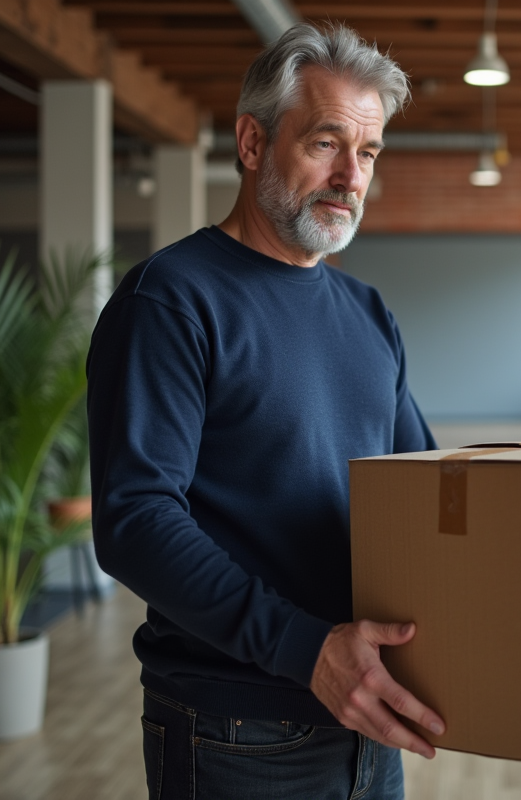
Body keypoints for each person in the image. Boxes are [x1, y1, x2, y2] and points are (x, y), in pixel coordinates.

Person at [86, 24, 444, 800]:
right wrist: (307, 648)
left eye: (370, 153)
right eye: (326, 143)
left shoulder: (367, 312)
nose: (352, 176)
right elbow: (135, 520)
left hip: (368, 715)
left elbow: (423, 491)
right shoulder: (172, 300)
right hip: (238, 733)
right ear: (251, 142)